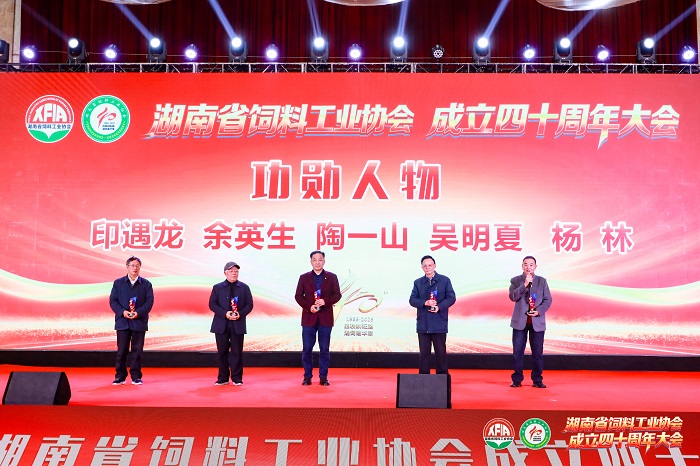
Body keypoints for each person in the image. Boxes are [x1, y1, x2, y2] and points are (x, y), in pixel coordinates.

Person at [295, 250, 342, 386]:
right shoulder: (304, 277)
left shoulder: (332, 277)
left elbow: (337, 295)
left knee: (324, 349)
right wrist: (309, 306)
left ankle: (323, 377)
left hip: (325, 318)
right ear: (311, 262)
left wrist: (325, 301)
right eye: (314, 260)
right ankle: (307, 377)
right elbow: (298, 296)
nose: (317, 262)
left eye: (320, 260)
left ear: (324, 261)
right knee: (307, 349)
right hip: (309, 318)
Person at [508, 255, 553, 388]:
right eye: (526, 264)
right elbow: (513, 297)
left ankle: (537, 380)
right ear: (522, 266)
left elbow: (548, 300)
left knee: (537, 353)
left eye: (531, 265)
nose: (528, 267)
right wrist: (525, 284)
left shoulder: (542, 281)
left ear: (535, 266)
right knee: (517, 353)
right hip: (519, 322)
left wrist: (538, 311)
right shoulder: (515, 280)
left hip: (537, 322)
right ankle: (517, 379)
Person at [109, 256, 154, 385]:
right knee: (121, 351)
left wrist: (138, 313)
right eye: (132, 265)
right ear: (127, 267)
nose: (135, 268)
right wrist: (123, 312)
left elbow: (149, 302)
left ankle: (136, 376)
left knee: (137, 351)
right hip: (123, 321)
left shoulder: (146, 284)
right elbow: (113, 301)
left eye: (137, 266)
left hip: (139, 321)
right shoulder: (118, 283)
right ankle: (120, 376)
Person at [409, 255, 456, 375]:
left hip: (439, 322)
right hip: (423, 323)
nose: (427, 267)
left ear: (434, 266)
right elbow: (412, 300)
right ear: (422, 268)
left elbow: (451, 298)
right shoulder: (418, 282)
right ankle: (424, 380)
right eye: (425, 266)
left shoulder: (445, 280)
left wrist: (439, 307)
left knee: (441, 353)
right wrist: (425, 302)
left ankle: (442, 380)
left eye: (430, 265)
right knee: (424, 355)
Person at [209, 261, 254, 386]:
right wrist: (225, 313)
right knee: (222, 352)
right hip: (221, 324)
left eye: (236, 271)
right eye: (231, 271)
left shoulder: (244, 288)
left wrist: (240, 313)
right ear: (225, 273)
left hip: (237, 324)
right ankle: (223, 378)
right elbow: (212, 304)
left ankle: (237, 378)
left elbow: (249, 304)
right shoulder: (217, 287)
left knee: (237, 352)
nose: (234, 273)